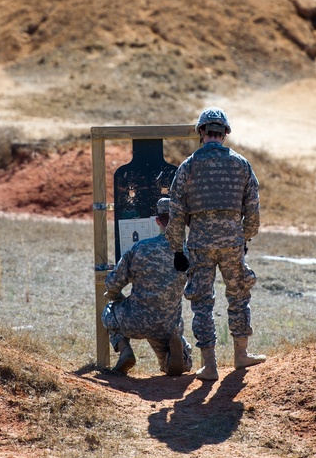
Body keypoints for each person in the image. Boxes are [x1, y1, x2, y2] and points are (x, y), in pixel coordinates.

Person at [166, 107, 265, 381]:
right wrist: (246, 236)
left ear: (201, 132)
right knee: (239, 295)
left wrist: (177, 248)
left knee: (201, 302)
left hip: (200, 243)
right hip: (232, 242)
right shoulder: (241, 164)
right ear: (225, 134)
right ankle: (241, 355)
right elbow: (253, 208)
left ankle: (209, 366)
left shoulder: (188, 166)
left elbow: (175, 212)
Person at [102, 197, 193, 376]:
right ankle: (179, 357)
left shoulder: (141, 248)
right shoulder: (188, 252)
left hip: (134, 319)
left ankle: (124, 349)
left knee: (109, 311)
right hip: (168, 324)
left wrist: (118, 298)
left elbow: (112, 284)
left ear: (158, 221)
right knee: (170, 362)